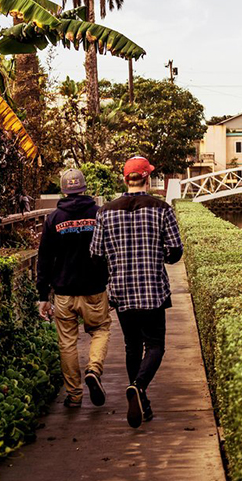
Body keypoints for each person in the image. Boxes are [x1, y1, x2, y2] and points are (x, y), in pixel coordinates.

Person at [90, 156, 183, 428]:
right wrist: (159, 255)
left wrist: (114, 263)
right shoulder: (161, 208)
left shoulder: (105, 212)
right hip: (153, 289)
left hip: (121, 291)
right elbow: (176, 251)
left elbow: (95, 255)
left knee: (132, 345)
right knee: (155, 345)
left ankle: (141, 398)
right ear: (147, 179)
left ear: (124, 179)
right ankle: (139, 388)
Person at [37, 169, 110, 409]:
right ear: (84, 188)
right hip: (94, 289)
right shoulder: (99, 215)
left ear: (63, 190)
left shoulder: (53, 219)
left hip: (64, 291)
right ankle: (93, 369)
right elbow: (109, 252)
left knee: (67, 343)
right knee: (100, 329)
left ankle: (75, 395)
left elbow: (44, 259)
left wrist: (42, 296)